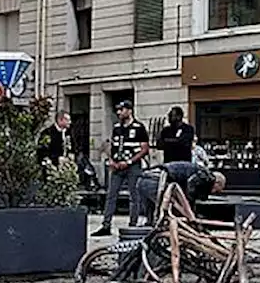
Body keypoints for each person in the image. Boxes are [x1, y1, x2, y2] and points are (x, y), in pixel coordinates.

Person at [95, 100, 149, 237]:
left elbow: (144, 149)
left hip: (133, 166)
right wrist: (112, 160)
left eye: (122, 109)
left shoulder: (139, 127)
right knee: (111, 195)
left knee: (134, 196)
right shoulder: (117, 127)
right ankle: (106, 225)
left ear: (130, 111)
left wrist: (130, 161)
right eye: (118, 110)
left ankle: (133, 224)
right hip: (117, 166)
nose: (119, 112)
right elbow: (113, 145)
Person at [134, 160, 226, 226]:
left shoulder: (198, 171)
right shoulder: (208, 176)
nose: (213, 193)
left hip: (144, 178)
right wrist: (189, 211)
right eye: (216, 190)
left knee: (152, 219)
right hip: (157, 180)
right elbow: (191, 186)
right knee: (167, 213)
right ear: (217, 182)